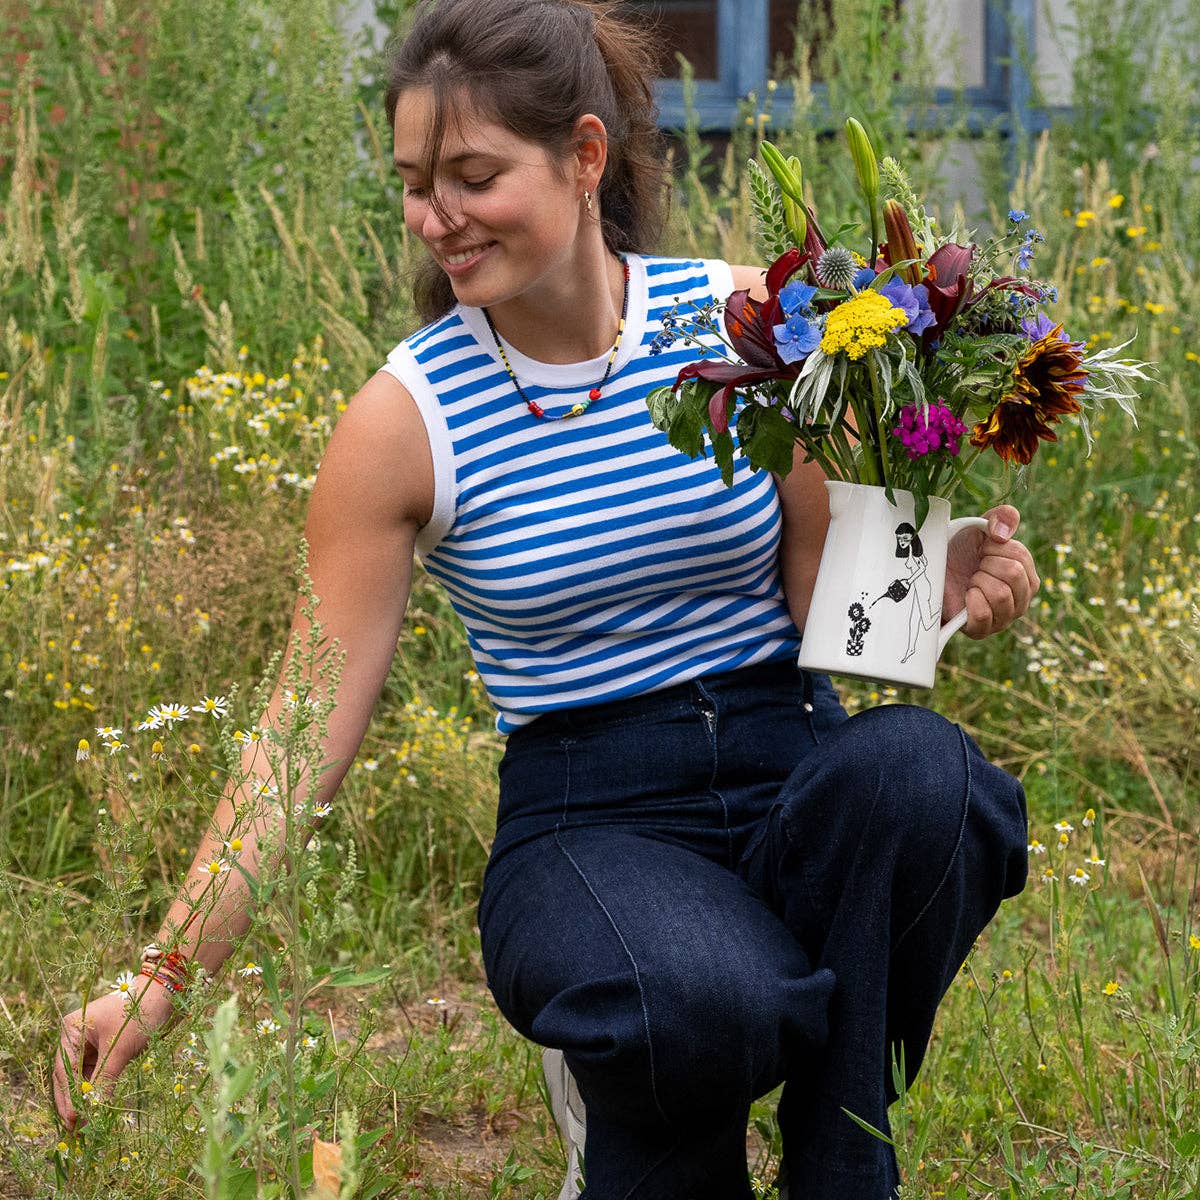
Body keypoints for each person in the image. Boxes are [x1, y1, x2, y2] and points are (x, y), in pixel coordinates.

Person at [52, 1, 1040, 1196]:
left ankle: (840, 1150)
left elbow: (824, 616)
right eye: (415, 184)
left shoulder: (744, 323)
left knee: (933, 780)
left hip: (790, 756)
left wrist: (935, 580)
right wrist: (161, 976)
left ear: (584, 156)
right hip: (590, 820)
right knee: (698, 999)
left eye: (472, 177)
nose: (437, 219)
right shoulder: (403, 423)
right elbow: (297, 736)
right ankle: (638, 1043)